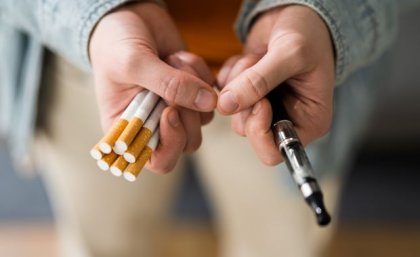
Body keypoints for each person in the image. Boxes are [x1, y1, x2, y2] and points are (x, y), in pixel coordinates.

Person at [1, 0, 417, 256]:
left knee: (280, 247)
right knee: (105, 243)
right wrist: (92, 14)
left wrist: (329, 11)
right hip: (94, 67)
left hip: (287, 78)